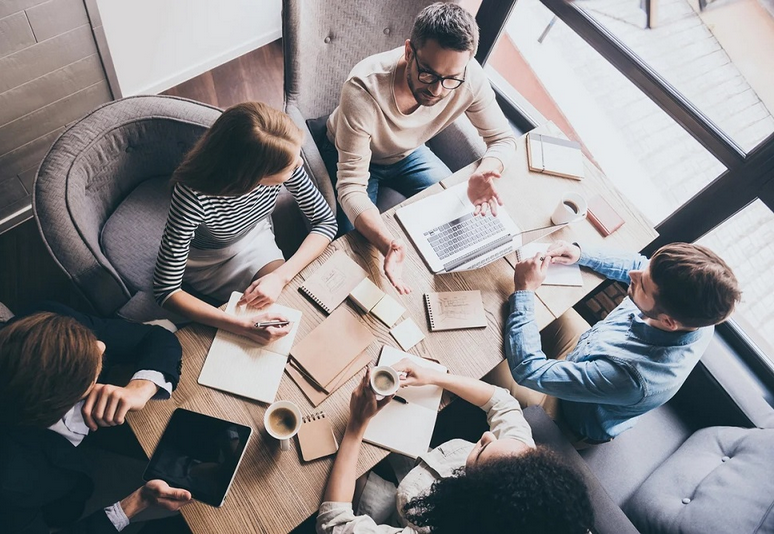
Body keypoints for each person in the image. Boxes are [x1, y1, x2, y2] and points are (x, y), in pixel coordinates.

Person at [321, 2, 518, 294]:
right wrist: (388, 244)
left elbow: (503, 139)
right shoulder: (363, 89)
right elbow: (351, 188)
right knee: (355, 246)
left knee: (458, 212)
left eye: (450, 78)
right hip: (354, 157)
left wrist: (487, 170)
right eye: (428, 73)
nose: (437, 90)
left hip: (410, 153)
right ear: (409, 51)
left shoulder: (469, 77)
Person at [0, 302, 191, 533]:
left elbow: (156, 337)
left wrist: (141, 388)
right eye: (84, 370)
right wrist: (135, 503)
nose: (100, 346)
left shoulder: (45, 325)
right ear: (62, 400)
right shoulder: (3, 487)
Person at [502, 241, 741, 444]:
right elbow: (639, 265)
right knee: (531, 310)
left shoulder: (630, 378)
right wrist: (581, 253)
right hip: (587, 351)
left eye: (643, 284)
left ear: (668, 322)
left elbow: (528, 370)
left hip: (567, 415)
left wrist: (525, 290)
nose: (633, 275)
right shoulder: (698, 315)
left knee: (489, 365)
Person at [316, 364, 595, 534]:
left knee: (331, 468)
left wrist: (355, 426)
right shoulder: (524, 471)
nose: (487, 435)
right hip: (422, 466)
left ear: (470, 497)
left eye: (482, 450)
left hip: (401, 512)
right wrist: (435, 377)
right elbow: (502, 403)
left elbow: (334, 524)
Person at [153, 101, 337, 345]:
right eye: (291, 165)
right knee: (259, 325)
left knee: (286, 306)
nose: (300, 164)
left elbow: (326, 221)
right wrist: (243, 327)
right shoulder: (192, 197)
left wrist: (280, 276)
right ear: (256, 176)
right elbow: (166, 290)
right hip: (209, 262)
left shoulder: (287, 163)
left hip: (255, 236)